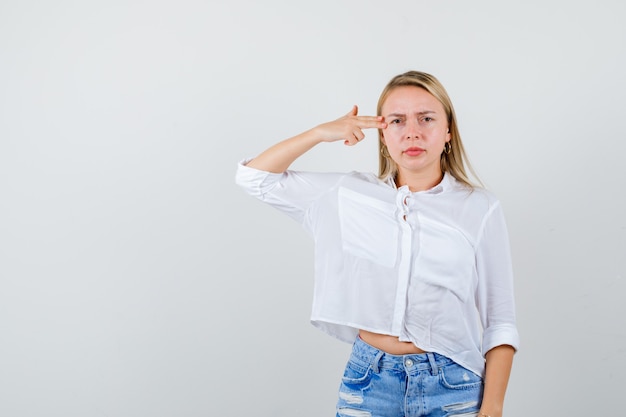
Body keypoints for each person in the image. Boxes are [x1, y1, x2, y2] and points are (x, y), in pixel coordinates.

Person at [235, 70, 519, 417]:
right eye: (397, 120)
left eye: (426, 119)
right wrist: (320, 133)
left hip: (453, 386)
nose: (412, 131)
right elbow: (254, 178)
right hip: (369, 384)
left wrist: (493, 408)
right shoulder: (348, 195)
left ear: (447, 132)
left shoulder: (480, 208)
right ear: (383, 135)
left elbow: (500, 321)